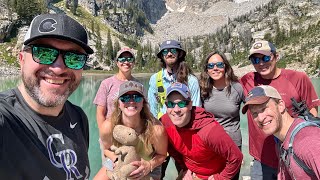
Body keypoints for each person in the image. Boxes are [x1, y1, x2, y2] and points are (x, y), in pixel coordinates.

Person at [0, 13, 93, 179]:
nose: (58, 68)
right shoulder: (5, 118)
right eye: (44, 53)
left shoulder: (79, 117)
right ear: (21, 59)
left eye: (73, 58)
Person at [240, 40, 320, 179]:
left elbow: (312, 114)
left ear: (276, 56)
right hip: (262, 158)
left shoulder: (298, 78)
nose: (260, 63)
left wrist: (305, 143)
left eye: (265, 57)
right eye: (255, 59)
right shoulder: (247, 81)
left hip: (294, 155)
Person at [160, 82, 243, 179]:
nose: (176, 109)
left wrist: (221, 178)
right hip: (191, 173)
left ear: (190, 105)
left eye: (182, 103)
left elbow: (236, 157)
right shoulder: (165, 123)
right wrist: (184, 168)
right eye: (171, 104)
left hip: (213, 175)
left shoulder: (209, 130)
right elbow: (172, 149)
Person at [148, 40, 201, 177]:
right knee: (156, 175)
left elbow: (196, 110)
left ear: (180, 54)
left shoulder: (191, 81)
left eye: (173, 50)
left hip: (184, 137)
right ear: (161, 56)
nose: (169, 53)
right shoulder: (155, 79)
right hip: (161, 135)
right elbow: (151, 111)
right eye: (165, 51)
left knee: (186, 174)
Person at [242, 85, 320, 179]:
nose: (260, 118)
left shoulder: (308, 141)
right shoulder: (282, 142)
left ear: (281, 106)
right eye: (254, 113)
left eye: (264, 109)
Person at [94, 81, 168, 180]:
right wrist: (114, 159)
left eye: (137, 97)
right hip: (117, 163)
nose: (131, 102)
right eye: (125, 98)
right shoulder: (108, 127)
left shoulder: (156, 129)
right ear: (119, 103)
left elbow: (162, 155)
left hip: (148, 166)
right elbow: (106, 149)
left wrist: (149, 165)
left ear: (143, 103)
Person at [199, 51, 245, 180]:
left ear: (225, 67)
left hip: (233, 144)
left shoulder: (237, 88)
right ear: (206, 70)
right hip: (210, 145)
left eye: (219, 64)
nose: (215, 68)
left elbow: (254, 111)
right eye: (211, 66)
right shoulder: (203, 88)